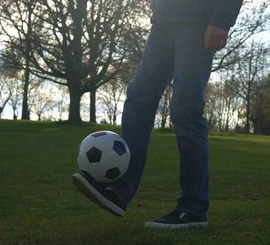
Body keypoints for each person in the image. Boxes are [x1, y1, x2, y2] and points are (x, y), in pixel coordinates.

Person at [72, 0, 243, 229]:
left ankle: (193, 208)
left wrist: (222, 19)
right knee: (138, 98)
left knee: (186, 110)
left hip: (199, 23)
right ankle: (119, 190)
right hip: (163, 22)